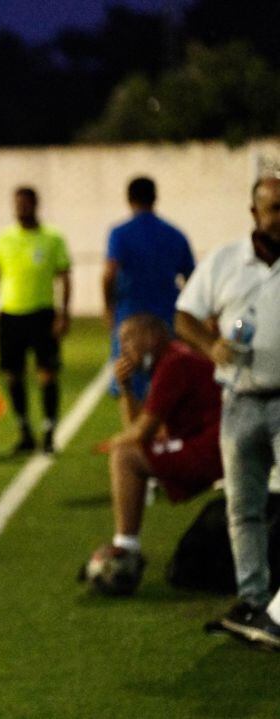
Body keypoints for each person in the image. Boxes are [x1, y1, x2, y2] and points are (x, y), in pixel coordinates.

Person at [175, 176, 280, 651]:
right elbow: (184, 316)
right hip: (238, 402)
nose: (279, 217)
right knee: (243, 507)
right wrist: (208, 344)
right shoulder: (224, 260)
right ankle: (253, 601)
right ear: (254, 212)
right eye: (272, 208)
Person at [83, 314, 223, 595]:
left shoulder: (174, 363)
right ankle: (126, 546)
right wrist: (125, 388)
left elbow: (139, 434)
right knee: (129, 451)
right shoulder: (169, 362)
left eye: (128, 339)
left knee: (124, 456)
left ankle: (125, 550)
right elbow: (140, 430)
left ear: (151, 337)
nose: (123, 349)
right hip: (210, 443)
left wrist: (113, 443)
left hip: (213, 448)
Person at [0, 187, 71, 455]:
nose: (20, 208)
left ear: (35, 205)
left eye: (25, 204)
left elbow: (64, 276)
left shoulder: (52, 238)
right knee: (12, 376)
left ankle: (50, 431)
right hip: (10, 316)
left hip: (42, 314)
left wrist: (64, 313)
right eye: (16, 203)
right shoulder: (4, 238)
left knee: (47, 374)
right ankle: (25, 432)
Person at [102, 177, 195, 398]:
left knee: (128, 381)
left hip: (130, 317)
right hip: (166, 317)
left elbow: (109, 274)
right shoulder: (174, 233)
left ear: (129, 198)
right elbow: (192, 278)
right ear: (155, 197)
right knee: (166, 380)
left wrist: (108, 308)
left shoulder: (120, 233)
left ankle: (136, 430)